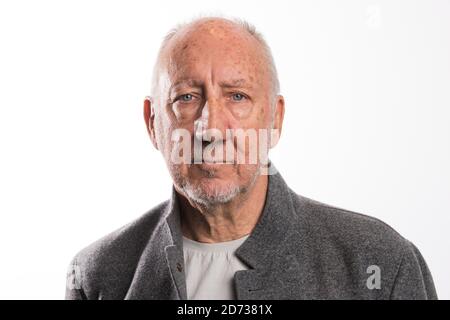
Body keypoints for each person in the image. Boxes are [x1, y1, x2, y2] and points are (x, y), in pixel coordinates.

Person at [65, 16, 437, 300]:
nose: (211, 128)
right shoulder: (98, 277)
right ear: (152, 124)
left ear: (275, 118)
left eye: (237, 96)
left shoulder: (381, 263)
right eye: (186, 98)